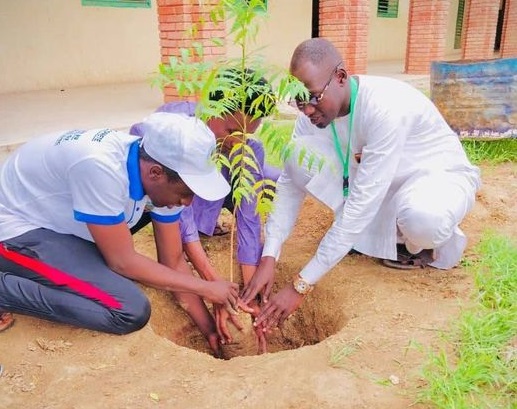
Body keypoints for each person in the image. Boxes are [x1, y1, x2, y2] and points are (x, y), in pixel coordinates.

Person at [241, 38, 481, 331]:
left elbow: (360, 205)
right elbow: (291, 181)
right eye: (298, 100)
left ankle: (412, 246)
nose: (306, 110)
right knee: (297, 155)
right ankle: (374, 237)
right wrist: (270, 254)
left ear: (340, 77)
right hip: (372, 183)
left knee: (423, 221)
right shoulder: (311, 112)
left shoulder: (385, 108)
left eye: (313, 97)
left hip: (432, 179)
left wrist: (299, 286)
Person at [0, 112, 241, 357]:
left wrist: (211, 330)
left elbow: (173, 260)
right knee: (127, 309)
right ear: (156, 173)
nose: (188, 203)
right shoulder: (99, 167)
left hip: (56, 223)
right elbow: (122, 262)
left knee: (116, 279)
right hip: (14, 230)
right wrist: (206, 288)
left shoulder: (157, 168)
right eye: (186, 193)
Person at [130, 70, 279, 348]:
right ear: (210, 109)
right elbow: (181, 220)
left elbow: (248, 221)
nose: (238, 142)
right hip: (167, 196)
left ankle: (211, 219)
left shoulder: (246, 148)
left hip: (214, 189)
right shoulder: (175, 132)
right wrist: (213, 285)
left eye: (248, 134)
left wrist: (247, 297)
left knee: (272, 178)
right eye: (232, 131)